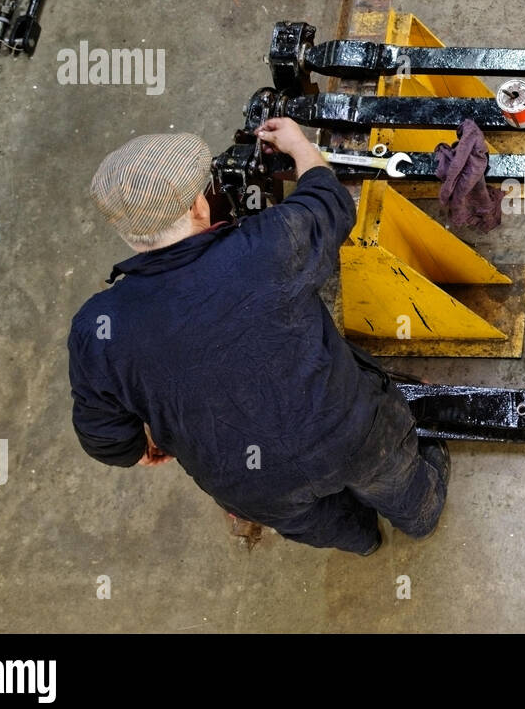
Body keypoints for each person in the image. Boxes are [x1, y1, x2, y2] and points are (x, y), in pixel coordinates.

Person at [68, 121, 447, 555]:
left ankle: (364, 543)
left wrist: (139, 450)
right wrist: (299, 146)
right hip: (347, 432)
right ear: (197, 207)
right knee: (397, 482)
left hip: (247, 483)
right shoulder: (267, 246)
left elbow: (106, 439)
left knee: (327, 527)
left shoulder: (95, 328)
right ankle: (419, 519)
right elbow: (331, 202)